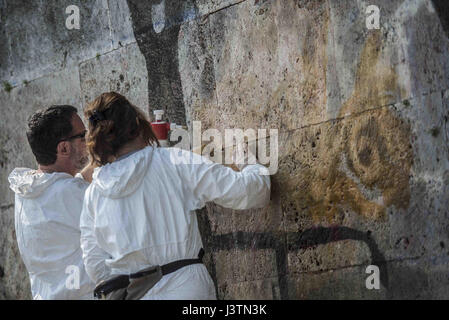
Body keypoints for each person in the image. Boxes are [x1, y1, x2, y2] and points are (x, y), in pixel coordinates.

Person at [80, 92, 271, 300]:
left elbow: (94, 264)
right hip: (185, 289)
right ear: (138, 125)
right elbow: (249, 192)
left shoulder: (94, 192)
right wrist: (250, 164)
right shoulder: (174, 161)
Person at [8, 105, 96, 299]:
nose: (89, 139)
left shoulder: (28, 188)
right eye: (83, 136)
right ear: (63, 147)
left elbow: (66, 191)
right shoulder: (73, 193)